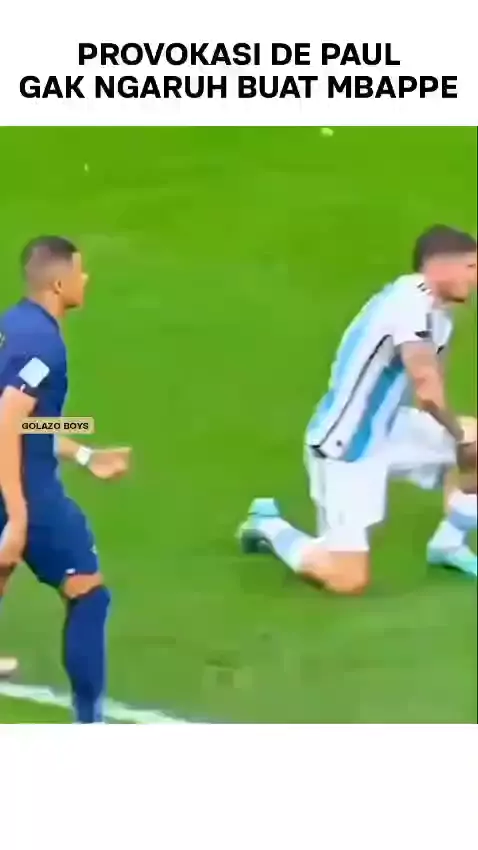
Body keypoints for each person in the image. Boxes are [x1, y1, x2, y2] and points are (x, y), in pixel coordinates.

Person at [238, 225, 477, 594]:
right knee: (348, 580)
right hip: (347, 448)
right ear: (439, 265)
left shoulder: (439, 316)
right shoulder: (408, 303)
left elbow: (431, 392)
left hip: (388, 428)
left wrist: (462, 443)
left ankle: (447, 544)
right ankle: (267, 525)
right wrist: (459, 438)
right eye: (470, 267)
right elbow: (427, 390)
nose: (475, 278)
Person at [0, 236, 132, 720]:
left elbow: (30, 422)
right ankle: (88, 722)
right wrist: (18, 514)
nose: (86, 279)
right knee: (88, 592)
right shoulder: (44, 345)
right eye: (80, 271)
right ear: (59, 284)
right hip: (24, 487)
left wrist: (85, 452)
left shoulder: (11, 325)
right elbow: (7, 422)